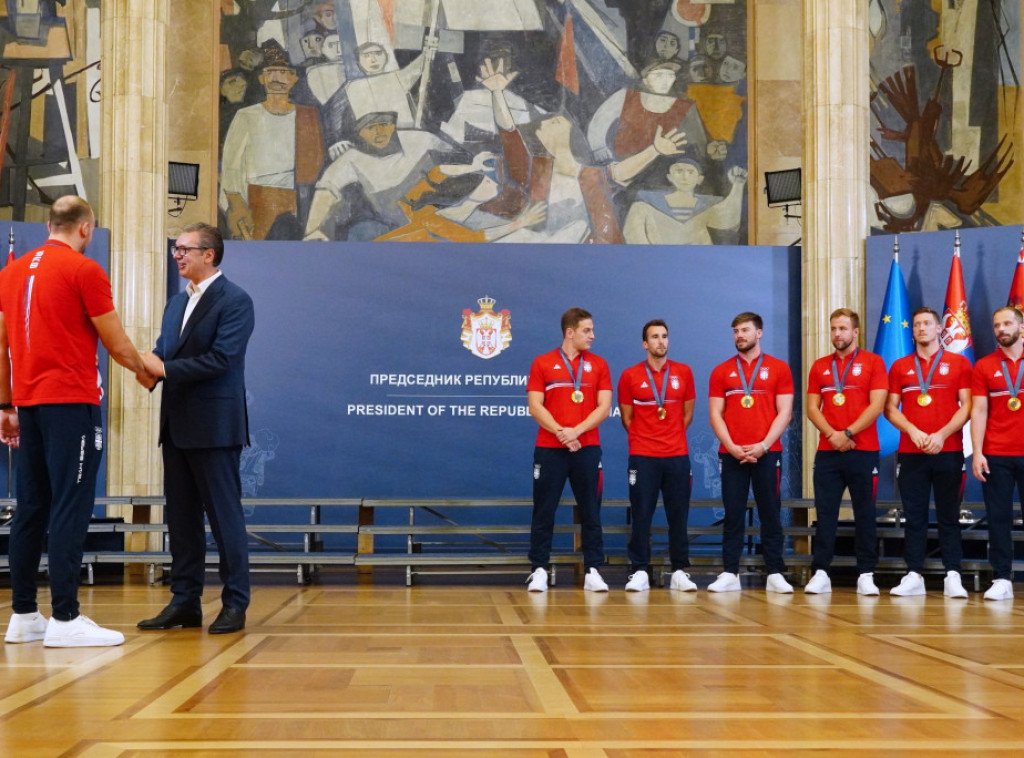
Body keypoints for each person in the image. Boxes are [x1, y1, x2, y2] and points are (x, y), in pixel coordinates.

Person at [1, 196, 149, 647]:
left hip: (29, 404)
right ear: (85, 228)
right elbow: (116, 342)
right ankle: (65, 618)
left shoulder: (11, 272)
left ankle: (24, 615)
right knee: (71, 505)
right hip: (71, 402)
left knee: (32, 507)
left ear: (50, 224)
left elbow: (1, 345)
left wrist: (6, 405)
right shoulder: (85, 270)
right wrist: (148, 372)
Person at [137, 223, 255, 634]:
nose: (177, 255)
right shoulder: (176, 303)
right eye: (176, 248)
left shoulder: (235, 300)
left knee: (225, 519)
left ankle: (235, 603)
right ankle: (184, 602)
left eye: (185, 249)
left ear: (210, 254)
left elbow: (223, 359)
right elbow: (163, 351)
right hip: (176, 425)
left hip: (216, 428)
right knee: (182, 521)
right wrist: (146, 365)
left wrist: (164, 369)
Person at [884, 307, 972, 597]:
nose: (921, 328)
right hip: (912, 451)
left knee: (949, 515)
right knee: (914, 515)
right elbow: (890, 408)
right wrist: (913, 431)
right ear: (913, 331)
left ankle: (953, 575)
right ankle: (913, 574)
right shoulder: (900, 366)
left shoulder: (959, 363)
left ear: (939, 329)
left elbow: (968, 406)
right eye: (917, 324)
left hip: (948, 449)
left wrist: (941, 435)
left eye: (927, 323)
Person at [526, 308, 612, 593]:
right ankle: (539, 569)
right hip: (550, 449)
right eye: (587, 330)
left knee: (591, 511)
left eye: (592, 330)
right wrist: (562, 433)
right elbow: (535, 406)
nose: (592, 335)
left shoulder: (599, 365)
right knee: (544, 510)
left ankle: (593, 570)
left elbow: (604, 407)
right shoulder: (542, 362)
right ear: (570, 332)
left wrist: (576, 431)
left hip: (587, 448)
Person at [707, 312, 794, 593]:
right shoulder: (721, 371)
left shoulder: (779, 368)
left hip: (767, 452)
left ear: (759, 333)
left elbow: (785, 412)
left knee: (770, 513)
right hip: (731, 454)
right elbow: (715, 414)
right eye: (736, 331)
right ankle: (730, 572)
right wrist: (732, 447)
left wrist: (763, 445)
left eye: (745, 330)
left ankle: (775, 573)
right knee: (733, 514)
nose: (739, 336)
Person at [804, 308, 887, 595]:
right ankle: (821, 572)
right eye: (833, 329)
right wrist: (833, 435)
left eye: (842, 328)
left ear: (856, 332)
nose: (837, 334)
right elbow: (812, 408)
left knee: (865, 513)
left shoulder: (874, 362)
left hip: (863, 450)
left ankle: (866, 573)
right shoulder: (819, 366)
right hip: (828, 451)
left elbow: (877, 406)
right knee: (825, 513)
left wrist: (848, 433)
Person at [618, 320, 697, 592]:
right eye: (654, 337)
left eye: (664, 336)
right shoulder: (630, 375)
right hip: (643, 455)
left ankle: (679, 571)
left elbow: (687, 414)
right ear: (645, 343)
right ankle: (639, 570)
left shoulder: (684, 372)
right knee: (641, 515)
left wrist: (670, 436)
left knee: (679, 515)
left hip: (677, 454)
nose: (661, 341)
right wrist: (647, 438)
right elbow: (627, 418)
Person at [219, 40, 325, 240]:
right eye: (270, 73)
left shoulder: (308, 116)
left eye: (283, 73)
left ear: (293, 78)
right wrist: (236, 204)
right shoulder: (246, 115)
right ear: (262, 78)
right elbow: (231, 166)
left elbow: (318, 163)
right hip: (256, 198)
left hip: (300, 198)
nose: (277, 79)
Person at [970, 306, 1024, 601]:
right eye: (997, 325)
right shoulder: (984, 366)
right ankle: (1002, 578)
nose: (1001, 329)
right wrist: (977, 452)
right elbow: (978, 411)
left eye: (1007, 324)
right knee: (998, 518)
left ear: (1020, 327)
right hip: (996, 454)